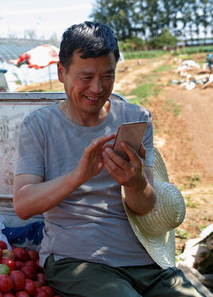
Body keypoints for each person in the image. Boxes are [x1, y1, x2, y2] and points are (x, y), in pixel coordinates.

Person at [13, 21, 204, 296]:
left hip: (146, 262)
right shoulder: (38, 126)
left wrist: (136, 184)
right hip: (78, 262)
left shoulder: (136, 119)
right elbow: (23, 204)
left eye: (107, 76)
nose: (97, 88)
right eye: (86, 76)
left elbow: (144, 206)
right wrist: (79, 175)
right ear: (61, 72)